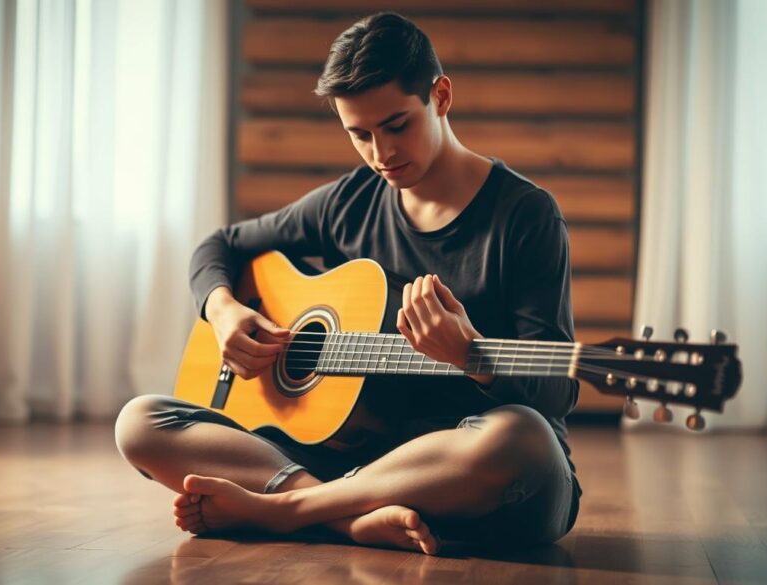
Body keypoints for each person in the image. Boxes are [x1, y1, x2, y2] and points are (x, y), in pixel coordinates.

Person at [114, 12, 581, 555]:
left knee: (523, 441)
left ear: (442, 95)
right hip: (345, 459)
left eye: (397, 125)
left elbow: (558, 393)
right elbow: (219, 246)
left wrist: (472, 355)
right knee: (138, 423)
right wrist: (223, 310)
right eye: (359, 134)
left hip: (457, 470)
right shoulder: (347, 202)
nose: (381, 154)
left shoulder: (525, 216)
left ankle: (287, 509)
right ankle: (347, 518)